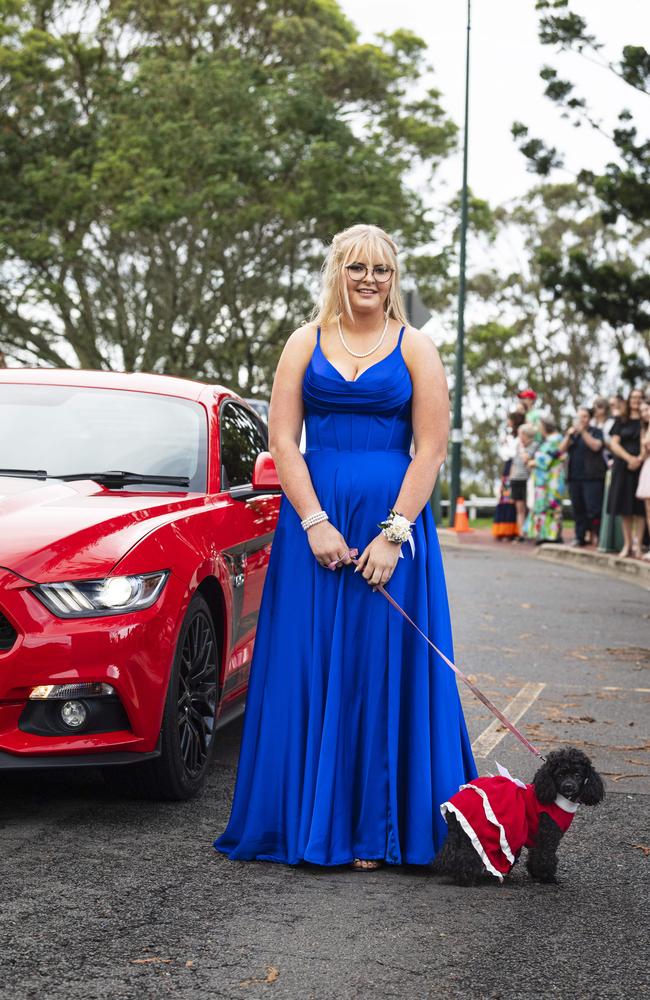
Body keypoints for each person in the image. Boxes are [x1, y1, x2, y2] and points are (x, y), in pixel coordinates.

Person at [213, 223, 477, 870]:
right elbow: (283, 443)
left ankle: (377, 830)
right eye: (357, 268)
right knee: (310, 665)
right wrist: (313, 522)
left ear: (394, 279)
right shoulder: (305, 343)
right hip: (314, 530)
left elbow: (431, 449)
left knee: (379, 668)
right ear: (338, 272)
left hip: (394, 525)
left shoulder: (417, 348)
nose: (369, 280)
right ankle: (308, 820)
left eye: (381, 270)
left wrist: (393, 533)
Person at [558, 407, 607, 547]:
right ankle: (579, 537)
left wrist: (583, 432)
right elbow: (560, 451)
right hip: (574, 477)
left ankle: (598, 536)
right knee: (578, 509)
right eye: (579, 417)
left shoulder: (596, 432)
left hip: (592, 477)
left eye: (585, 416)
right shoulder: (573, 435)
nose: (582, 419)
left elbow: (596, 446)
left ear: (589, 418)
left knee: (594, 510)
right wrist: (568, 435)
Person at [607, 388, 645, 558]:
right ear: (629, 400)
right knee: (625, 507)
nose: (636, 400)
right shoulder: (621, 420)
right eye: (633, 397)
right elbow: (614, 444)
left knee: (640, 509)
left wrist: (639, 459)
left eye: (639, 397)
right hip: (623, 466)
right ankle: (627, 544)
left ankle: (638, 545)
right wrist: (629, 458)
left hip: (642, 466)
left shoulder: (646, 420)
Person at [524, 414, 566, 544]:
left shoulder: (556, 439)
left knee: (552, 506)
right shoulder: (547, 441)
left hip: (552, 479)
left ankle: (552, 535)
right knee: (542, 507)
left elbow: (548, 459)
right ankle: (543, 533)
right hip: (543, 480)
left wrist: (533, 462)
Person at [491, 410, 524, 540]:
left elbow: (512, 453)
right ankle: (504, 529)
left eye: (510, 420)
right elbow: (503, 453)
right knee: (505, 497)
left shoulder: (518, 438)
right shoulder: (507, 436)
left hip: (515, 466)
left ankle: (513, 530)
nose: (508, 423)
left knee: (513, 499)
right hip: (508, 465)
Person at [510, 422, 536, 541]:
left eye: (521, 434)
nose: (520, 437)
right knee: (519, 509)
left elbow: (527, 459)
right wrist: (511, 477)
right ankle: (521, 534)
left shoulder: (534, 446)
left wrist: (522, 449)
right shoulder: (518, 446)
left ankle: (531, 531)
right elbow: (514, 463)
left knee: (530, 507)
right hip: (516, 480)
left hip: (528, 481)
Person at [635, 398, 650, 561]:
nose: (645, 413)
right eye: (642, 411)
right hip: (647, 466)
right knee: (648, 511)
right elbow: (643, 452)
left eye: (647, 409)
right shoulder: (643, 429)